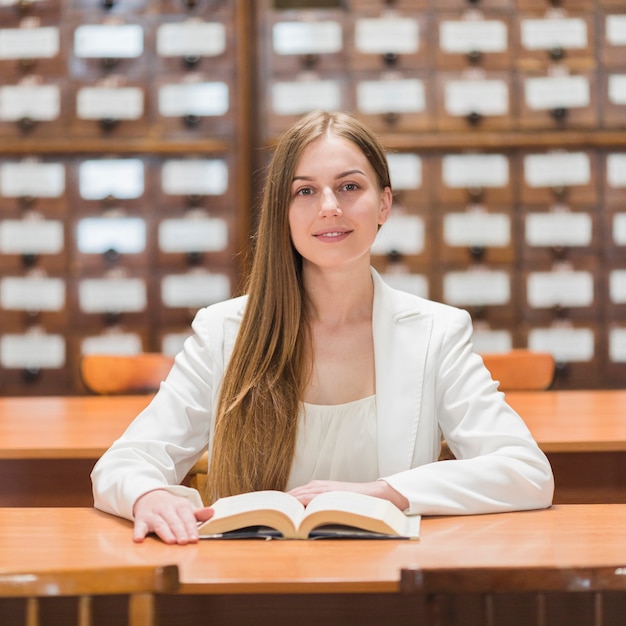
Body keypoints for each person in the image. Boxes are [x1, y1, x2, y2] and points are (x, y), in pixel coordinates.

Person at [91, 110, 554, 545]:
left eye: (349, 187)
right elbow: (125, 462)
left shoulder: (437, 332)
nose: (329, 206)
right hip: (248, 581)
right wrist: (147, 495)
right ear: (284, 211)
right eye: (305, 191)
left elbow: (527, 472)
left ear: (384, 204)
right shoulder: (223, 332)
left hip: (387, 582)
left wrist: (384, 492)